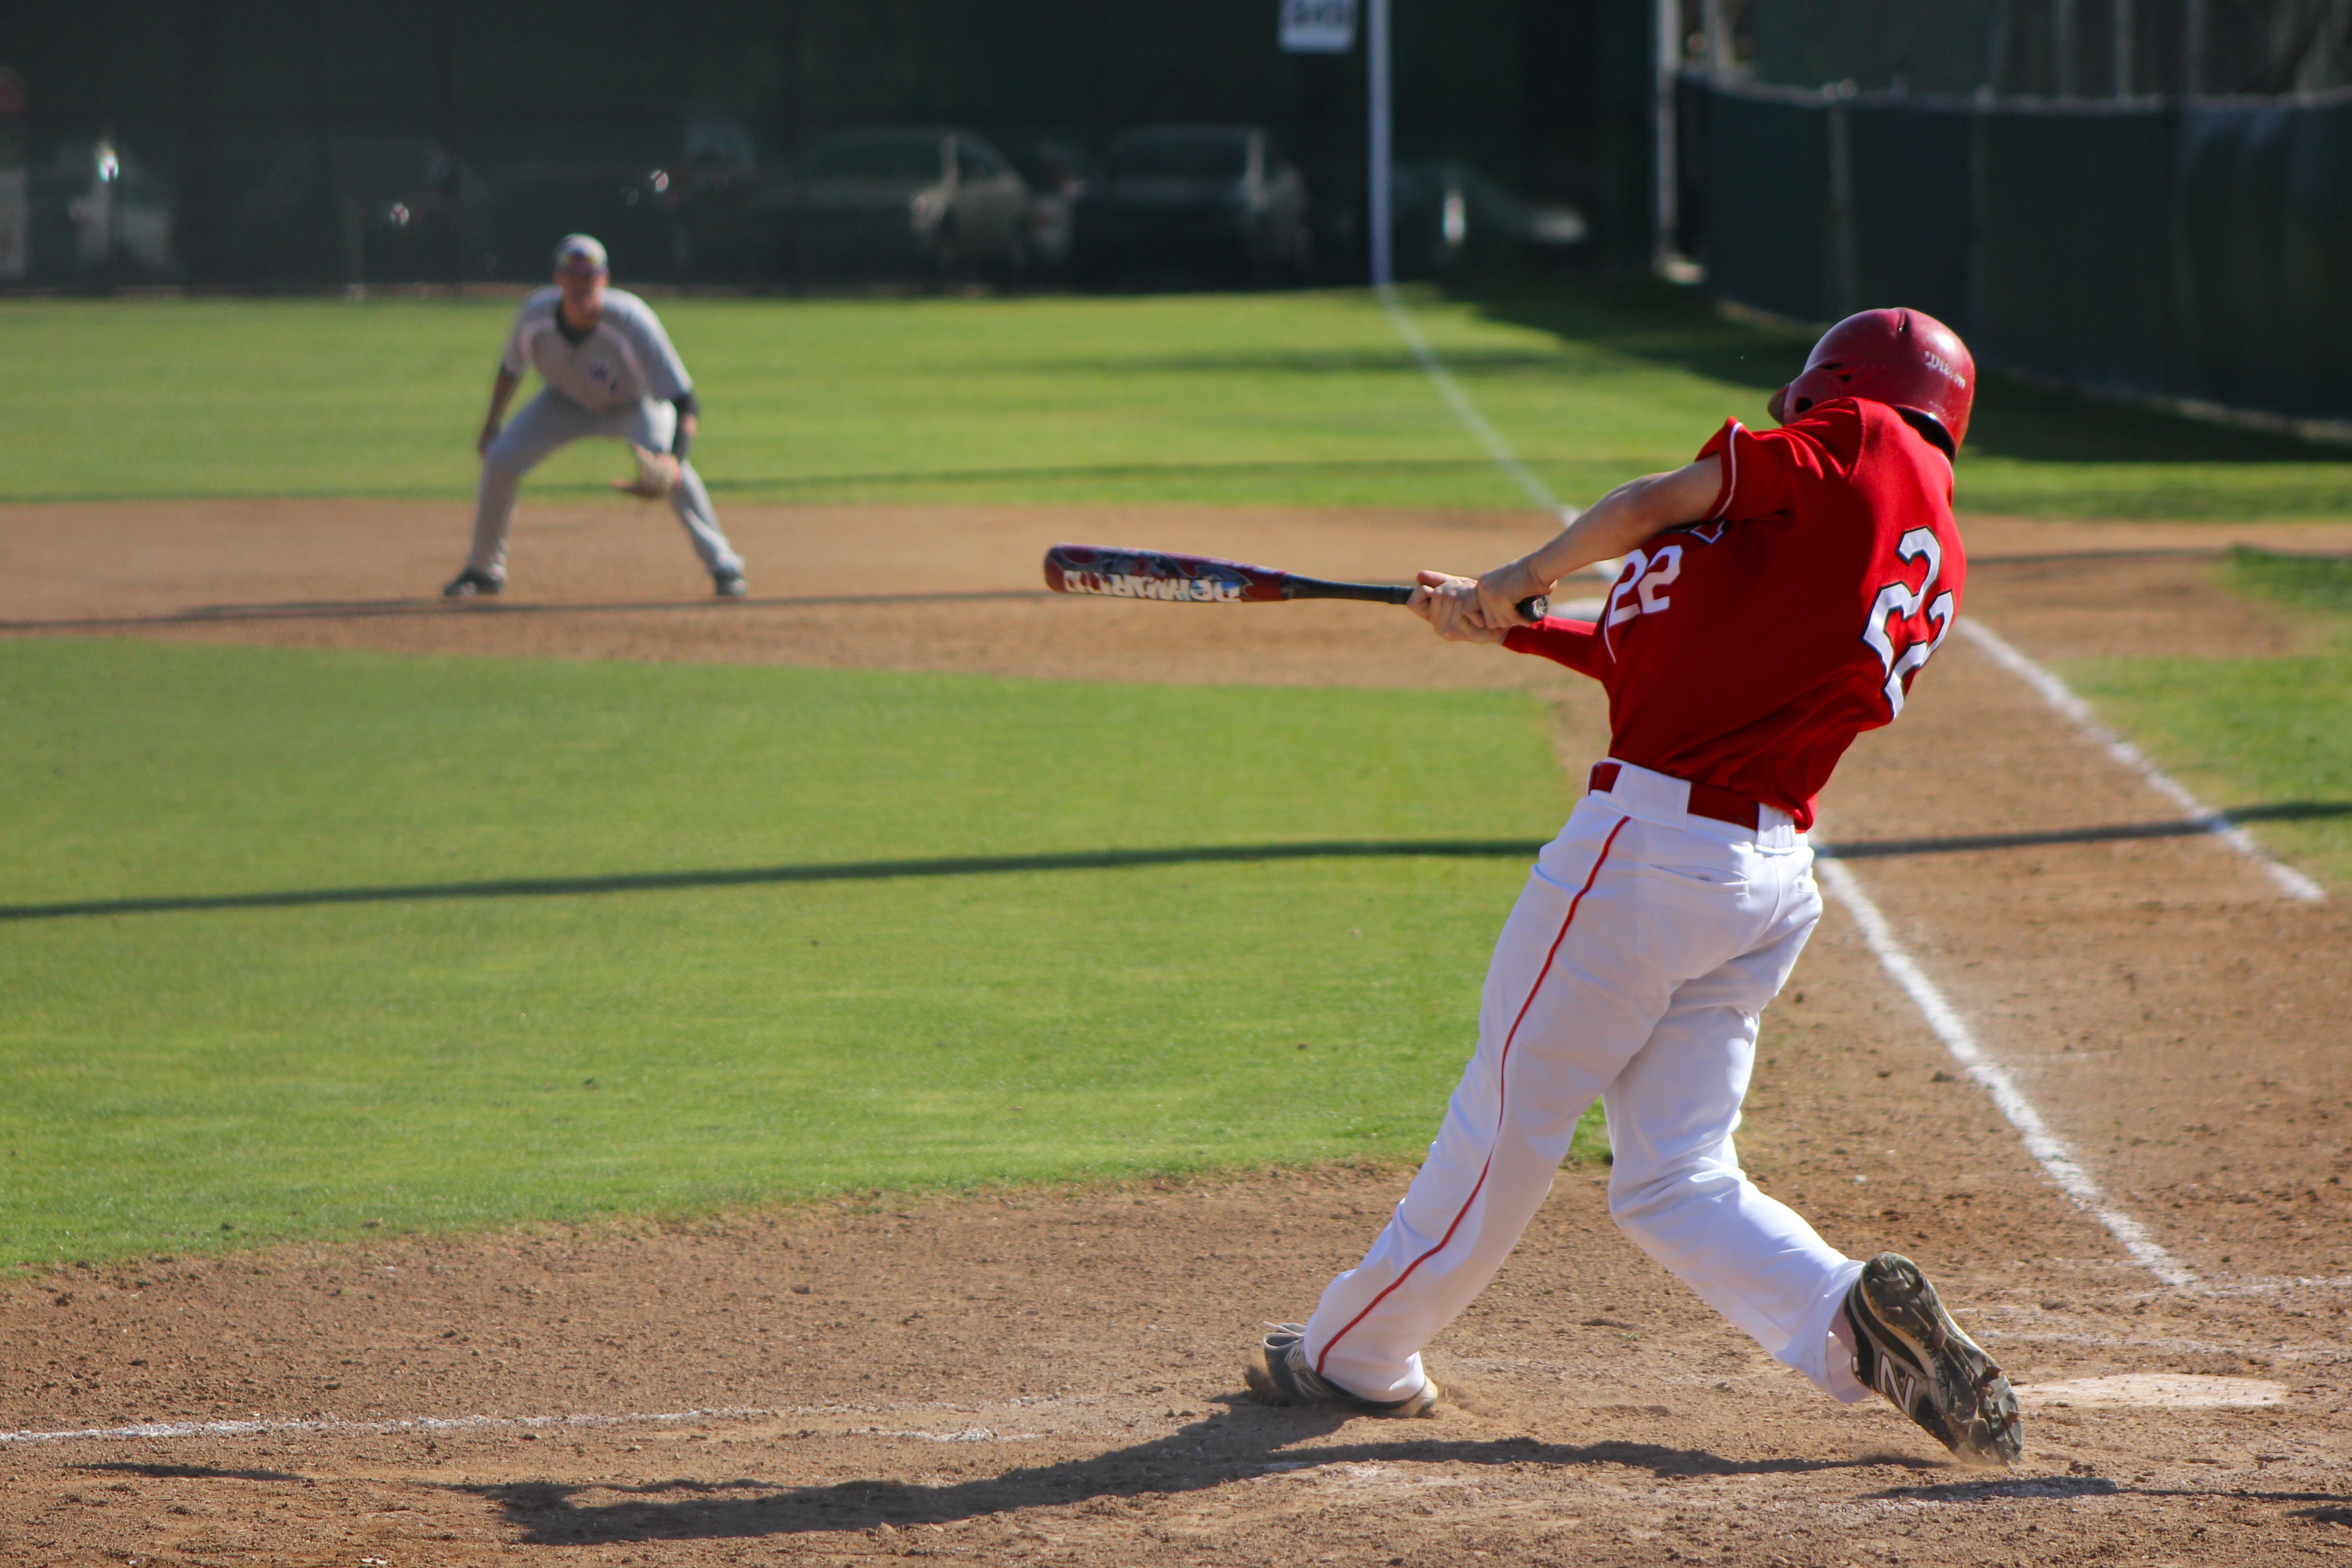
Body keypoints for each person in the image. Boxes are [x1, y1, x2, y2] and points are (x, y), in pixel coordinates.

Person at [1242, 308, 2023, 1468]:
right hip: (1758, 883)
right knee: (1673, 1175)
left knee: (1511, 1115)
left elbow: (1660, 497)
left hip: (1642, 859)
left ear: (1845, 386)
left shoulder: (1855, 438)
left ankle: (1356, 1348)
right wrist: (1503, 623)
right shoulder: (1921, 544)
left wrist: (1520, 573)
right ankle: (1850, 1321)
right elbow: (1663, 649)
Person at [444, 233, 748, 599]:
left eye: (589, 276)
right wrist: (492, 423)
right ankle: (484, 570)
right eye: (572, 277)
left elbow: (685, 401)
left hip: (635, 405)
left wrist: (674, 459)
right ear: (558, 280)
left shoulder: (632, 320)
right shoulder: (534, 316)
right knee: (500, 459)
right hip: (563, 403)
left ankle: (724, 565)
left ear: (604, 280)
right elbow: (511, 370)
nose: (580, 285)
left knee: (667, 469)